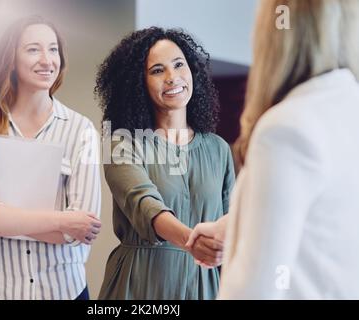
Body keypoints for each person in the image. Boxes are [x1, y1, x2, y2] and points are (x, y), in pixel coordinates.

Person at [188, 0, 359, 299]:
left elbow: (257, 288)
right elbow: (318, 215)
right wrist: (233, 226)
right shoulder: (346, 107)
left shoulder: (286, 128)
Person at [0, 15, 102, 300]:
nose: (47, 60)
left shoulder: (81, 129)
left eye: (53, 49)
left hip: (64, 291)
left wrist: (6, 220)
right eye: (33, 49)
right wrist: (60, 221)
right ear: (11, 59)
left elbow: (80, 230)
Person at [95, 27, 235, 300]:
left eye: (179, 65)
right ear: (138, 83)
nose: (173, 78)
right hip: (141, 283)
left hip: (203, 285)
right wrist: (193, 243)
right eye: (157, 70)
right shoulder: (122, 144)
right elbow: (145, 206)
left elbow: (232, 218)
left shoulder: (218, 149)